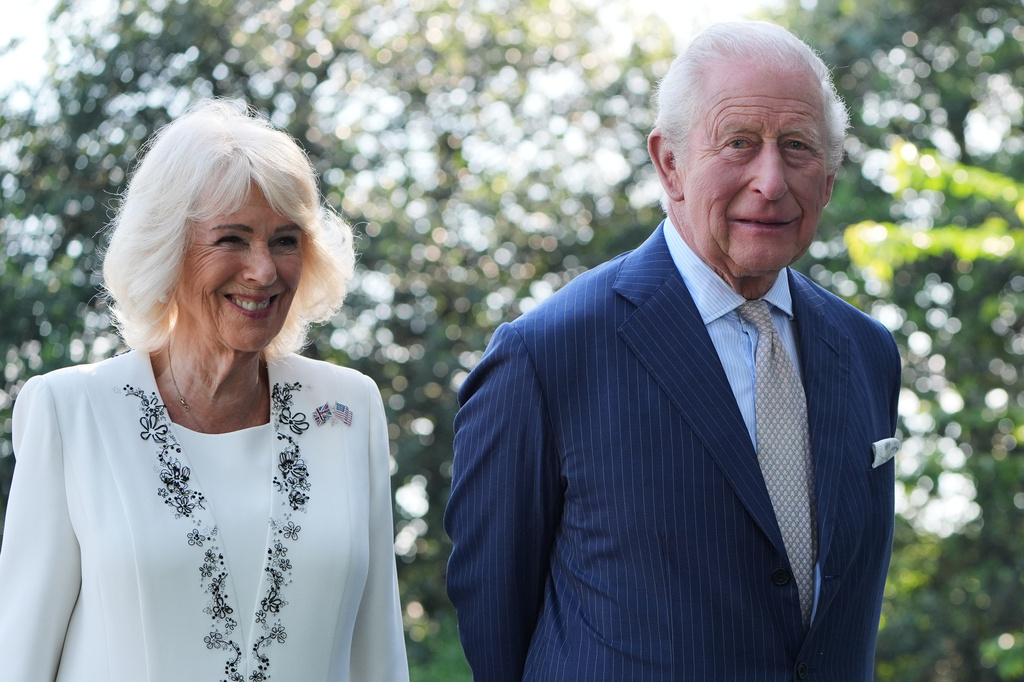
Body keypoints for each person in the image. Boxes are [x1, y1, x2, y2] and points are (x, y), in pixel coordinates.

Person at [445, 20, 901, 681]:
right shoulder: (545, 356)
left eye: (797, 147)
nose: (770, 181)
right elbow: (495, 624)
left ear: (828, 179)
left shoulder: (867, 351)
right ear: (670, 162)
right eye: (739, 143)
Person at [0, 99, 409, 682]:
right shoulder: (70, 412)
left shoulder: (347, 410)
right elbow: (17, 659)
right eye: (233, 239)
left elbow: (379, 657)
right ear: (169, 248)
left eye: (286, 240)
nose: (264, 270)